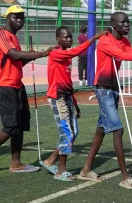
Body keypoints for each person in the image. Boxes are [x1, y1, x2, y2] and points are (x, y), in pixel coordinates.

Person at [78, 12, 132, 189]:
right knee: (117, 129)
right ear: (114, 24)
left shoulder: (125, 42)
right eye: (123, 22)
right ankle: (125, 177)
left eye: (128, 22)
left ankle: (86, 169)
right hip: (103, 88)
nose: (127, 25)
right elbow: (125, 56)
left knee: (101, 129)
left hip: (114, 88)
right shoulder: (105, 40)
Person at [0, 5, 52, 175]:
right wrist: (41, 54)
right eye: (15, 17)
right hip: (3, 86)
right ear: (7, 18)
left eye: (21, 17)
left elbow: (16, 61)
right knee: (11, 126)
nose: (19, 20)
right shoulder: (1, 34)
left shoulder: (13, 38)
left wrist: (28, 56)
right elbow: (14, 55)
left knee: (22, 123)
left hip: (16, 85)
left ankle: (16, 163)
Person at [39, 26, 107, 181]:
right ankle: (61, 170)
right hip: (58, 98)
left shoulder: (66, 57)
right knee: (67, 133)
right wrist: (94, 38)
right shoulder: (56, 53)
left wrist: (75, 104)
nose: (69, 39)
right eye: (65, 37)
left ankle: (50, 160)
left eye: (70, 37)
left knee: (73, 132)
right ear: (58, 39)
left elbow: (67, 82)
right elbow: (75, 51)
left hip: (67, 97)